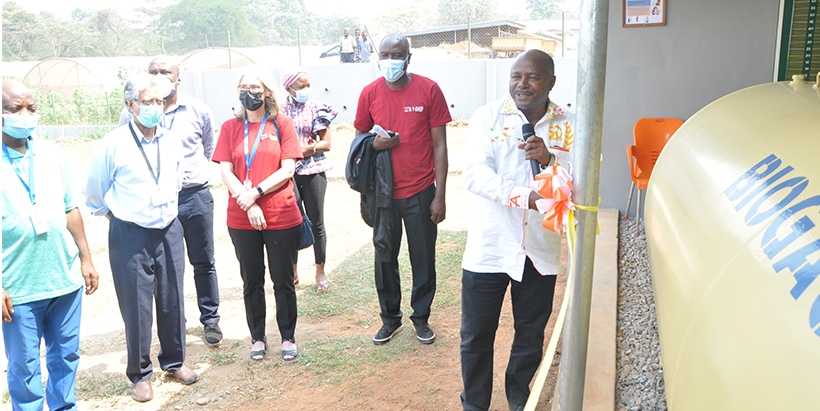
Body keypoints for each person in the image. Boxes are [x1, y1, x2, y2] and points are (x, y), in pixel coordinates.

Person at [459, 50, 575, 411]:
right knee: (476, 336)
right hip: (490, 246)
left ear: (551, 82)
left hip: (539, 250)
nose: (522, 84)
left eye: (532, 77)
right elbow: (476, 175)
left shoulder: (568, 124)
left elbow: (580, 181)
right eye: (516, 76)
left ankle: (519, 399)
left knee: (530, 333)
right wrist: (523, 197)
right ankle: (475, 404)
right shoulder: (487, 117)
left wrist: (549, 159)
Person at [86, 73, 198, 403]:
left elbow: (176, 181)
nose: (154, 108)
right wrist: (119, 217)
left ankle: (174, 362)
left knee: (172, 298)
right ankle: (140, 374)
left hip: (168, 228)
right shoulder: (112, 144)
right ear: (131, 105)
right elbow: (95, 194)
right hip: (129, 233)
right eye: (147, 101)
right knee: (136, 306)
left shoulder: (172, 141)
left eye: (159, 101)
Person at [2, 79, 99, 411]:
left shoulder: (51, 153)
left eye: (31, 107)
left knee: (66, 355)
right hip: (18, 289)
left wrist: (86, 259)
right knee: (24, 365)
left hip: (63, 278)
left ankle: (64, 406)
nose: (26, 115)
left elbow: (71, 208)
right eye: (16, 109)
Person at [118, 55, 222, 347]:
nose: (159, 75)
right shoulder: (131, 114)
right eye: (153, 72)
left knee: (203, 261)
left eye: (166, 71)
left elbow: (208, 149)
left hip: (193, 196)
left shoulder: (198, 110)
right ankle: (176, 325)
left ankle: (210, 319)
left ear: (178, 78)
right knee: (165, 270)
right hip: (155, 204)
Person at [354, 34, 451, 346]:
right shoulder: (369, 93)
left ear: (409, 58)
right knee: (385, 257)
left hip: (421, 191)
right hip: (383, 195)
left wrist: (440, 194)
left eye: (397, 54)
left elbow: (440, 145)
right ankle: (390, 319)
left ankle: (421, 317)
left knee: (423, 257)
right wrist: (375, 143)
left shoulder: (429, 89)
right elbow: (358, 144)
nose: (390, 60)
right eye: (385, 54)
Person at [212, 67, 303, 362]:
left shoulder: (282, 124)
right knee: (251, 280)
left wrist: (257, 193)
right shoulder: (230, 127)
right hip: (241, 218)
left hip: (280, 215)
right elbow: (225, 170)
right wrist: (247, 202)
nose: (247, 91)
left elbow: (288, 168)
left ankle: (287, 336)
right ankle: (258, 338)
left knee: (283, 280)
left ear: (266, 91)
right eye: (243, 86)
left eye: (254, 86)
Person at [281, 69, 338, 292]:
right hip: (288, 172)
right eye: (300, 86)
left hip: (314, 170)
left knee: (317, 222)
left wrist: (308, 149)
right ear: (288, 89)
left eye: (307, 85)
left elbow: (327, 144)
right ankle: (293, 269)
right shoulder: (279, 111)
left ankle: (320, 271)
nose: (305, 90)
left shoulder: (316, 108)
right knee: (292, 222)